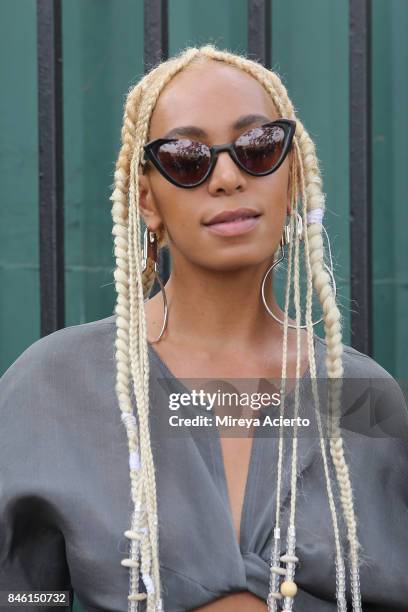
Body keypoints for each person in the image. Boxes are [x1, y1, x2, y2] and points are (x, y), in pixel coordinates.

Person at [0, 44, 407, 612]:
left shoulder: (363, 396)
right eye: (187, 158)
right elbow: (20, 593)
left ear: (291, 173)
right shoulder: (53, 386)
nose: (226, 177)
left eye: (257, 148)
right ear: (147, 198)